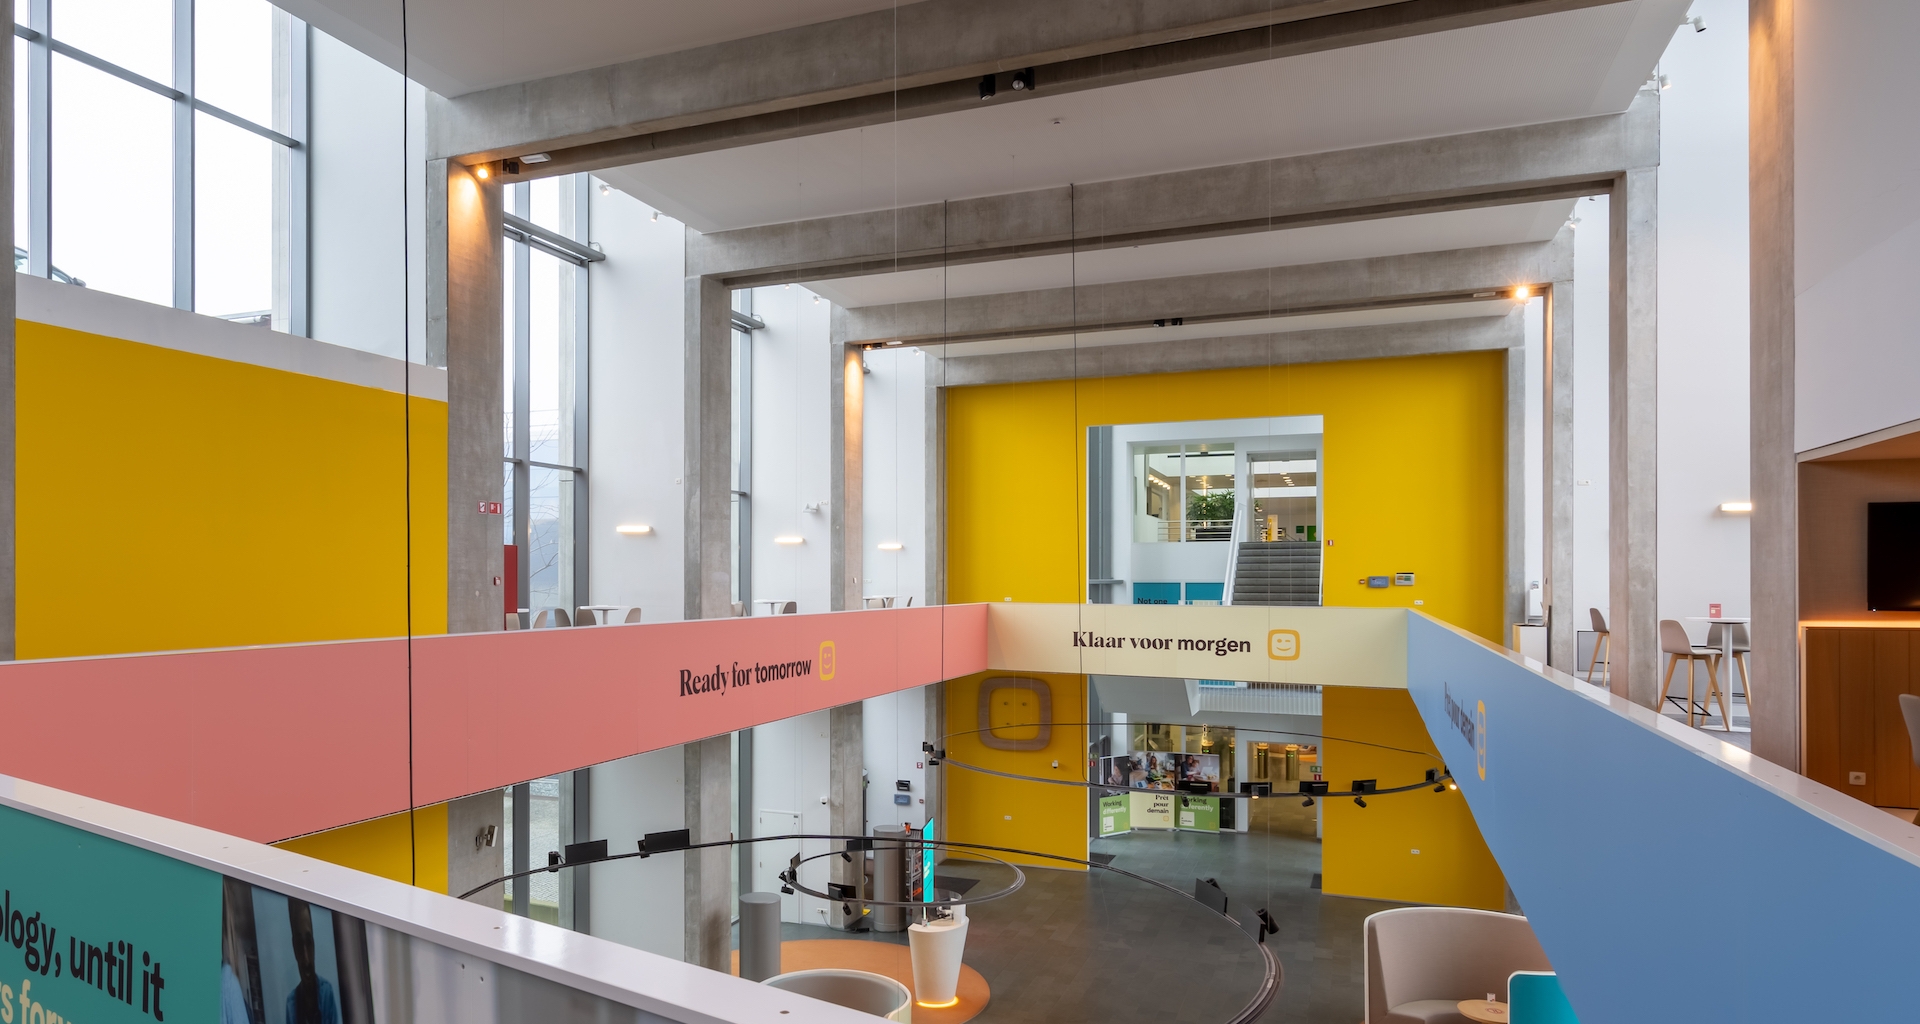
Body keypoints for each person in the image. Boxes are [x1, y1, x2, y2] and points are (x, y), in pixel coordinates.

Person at [284, 900, 341, 1024]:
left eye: (308, 942)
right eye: (300, 944)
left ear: (314, 945)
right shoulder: (291, 1004)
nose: (306, 960)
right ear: (294, 948)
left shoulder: (326, 992)